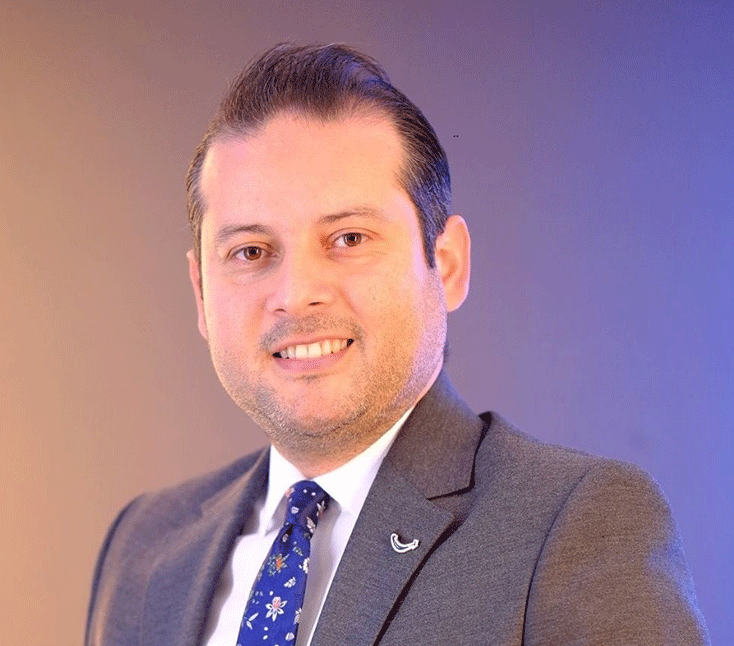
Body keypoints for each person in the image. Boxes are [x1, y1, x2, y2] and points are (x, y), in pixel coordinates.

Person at [85, 43, 710, 646]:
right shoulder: (144, 548)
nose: (296, 294)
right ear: (200, 292)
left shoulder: (572, 527)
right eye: (251, 252)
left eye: (349, 239)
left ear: (448, 264)